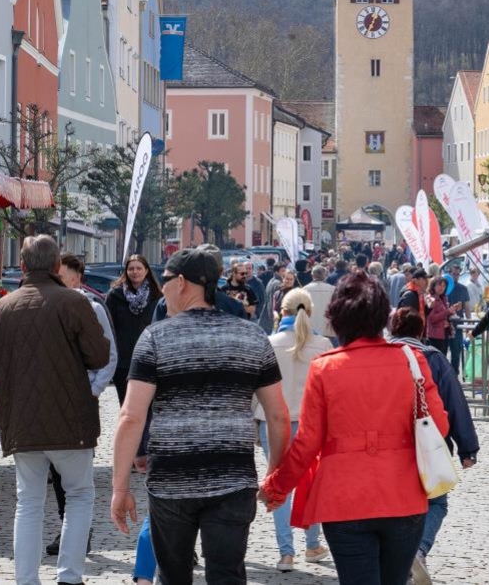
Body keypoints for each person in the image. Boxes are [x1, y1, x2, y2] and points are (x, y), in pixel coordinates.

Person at [111, 246, 292, 585]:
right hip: (233, 478)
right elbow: (278, 416)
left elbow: (131, 417)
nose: (160, 289)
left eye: (164, 281)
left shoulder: (155, 338)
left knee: (174, 576)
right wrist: (274, 477)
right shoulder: (252, 335)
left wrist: (120, 487)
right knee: (227, 575)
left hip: (171, 481)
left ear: (181, 283)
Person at [259, 272, 449, 585]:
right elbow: (439, 424)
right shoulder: (411, 360)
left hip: (344, 498)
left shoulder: (326, 367)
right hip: (403, 494)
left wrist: (276, 488)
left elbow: (307, 443)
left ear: (338, 318)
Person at [0, 235, 110, 585]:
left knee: (29, 502)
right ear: (57, 266)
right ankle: (69, 576)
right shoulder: (73, 302)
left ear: (22, 266)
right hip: (71, 422)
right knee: (80, 495)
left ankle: (27, 579)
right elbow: (99, 355)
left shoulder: (2, 308)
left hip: (23, 423)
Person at [389, 308, 478, 585]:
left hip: (389, 444)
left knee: (394, 504)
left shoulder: (380, 357)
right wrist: (467, 448)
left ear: (392, 329)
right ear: (421, 330)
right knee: (436, 502)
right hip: (430, 444)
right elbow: (454, 403)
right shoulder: (434, 358)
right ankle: (418, 549)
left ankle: (397, 556)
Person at [45, 253, 119, 557]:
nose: (59, 280)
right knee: (56, 471)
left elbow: (110, 354)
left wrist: (93, 390)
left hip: (80, 401)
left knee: (76, 471)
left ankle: (79, 531)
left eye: (63, 275)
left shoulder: (93, 308)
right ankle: (68, 527)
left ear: (77, 277)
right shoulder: (48, 307)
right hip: (50, 401)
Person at [255, 288, 333, 572]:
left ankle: (286, 552)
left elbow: (256, 389)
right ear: (309, 312)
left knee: (278, 486)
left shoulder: (269, 343)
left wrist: (254, 420)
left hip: (272, 422)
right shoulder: (323, 345)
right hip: (312, 424)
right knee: (310, 483)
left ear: (281, 311)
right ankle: (312, 544)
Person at [107, 255, 163, 404]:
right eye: (131, 268)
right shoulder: (115, 296)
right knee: (126, 404)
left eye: (139, 268)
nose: (135, 272)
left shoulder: (157, 297)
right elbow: (108, 328)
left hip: (150, 361)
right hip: (123, 362)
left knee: (149, 407)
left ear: (146, 271)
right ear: (126, 272)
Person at [445, 264, 471, 375]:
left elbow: (467, 307)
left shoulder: (463, 288)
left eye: (458, 274)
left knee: (456, 353)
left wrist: (469, 326)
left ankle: (454, 375)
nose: (456, 277)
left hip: (458, 325)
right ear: (449, 273)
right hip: (444, 325)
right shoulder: (443, 287)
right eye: (454, 274)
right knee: (443, 352)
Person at [303, 265, 337, 347]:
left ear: (312, 275)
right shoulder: (333, 290)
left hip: (310, 329)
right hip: (328, 329)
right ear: (325, 275)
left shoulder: (305, 290)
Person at [424, 276, 459, 356]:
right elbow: (431, 318)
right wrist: (447, 311)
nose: (441, 288)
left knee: (443, 358)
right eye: (439, 285)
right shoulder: (431, 299)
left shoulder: (442, 298)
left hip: (444, 333)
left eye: (444, 286)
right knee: (437, 360)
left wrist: (452, 309)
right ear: (433, 286)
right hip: (435, 335)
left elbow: (444, 314)